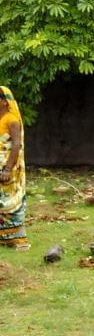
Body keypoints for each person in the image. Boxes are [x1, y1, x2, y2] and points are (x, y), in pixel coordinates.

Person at [0, 86, 28, 250]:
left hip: (7, 169)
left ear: (4, 101)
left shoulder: (12, 120)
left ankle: (18, 240)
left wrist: (8, 169)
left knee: (10, 204)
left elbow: (16, 144)